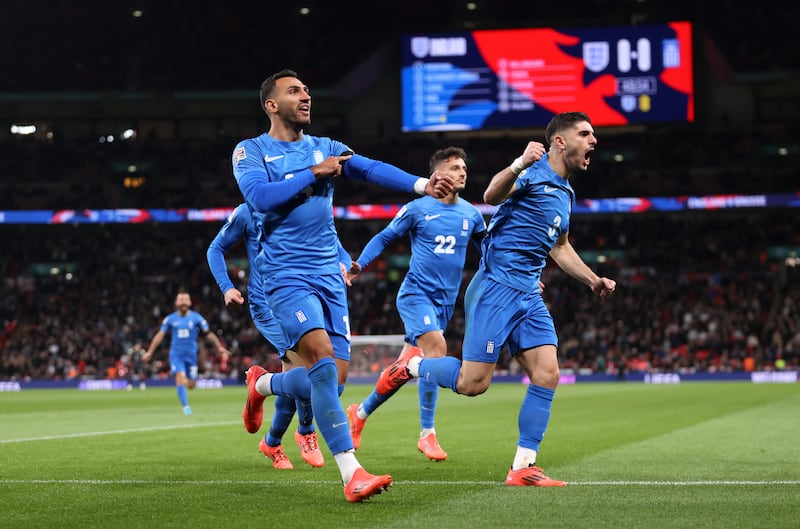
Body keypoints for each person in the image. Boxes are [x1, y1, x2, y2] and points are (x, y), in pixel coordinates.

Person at [231, 68, 453, 502]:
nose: (305, 96)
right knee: (321, 361)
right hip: (285, 275)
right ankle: (352, 473)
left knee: (331, 383)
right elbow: (258, 197)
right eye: (294, 91)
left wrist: (421, 184)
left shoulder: (327, 146)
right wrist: (314, 173)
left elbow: (369, 169)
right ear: (271, 105)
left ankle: (262, 385)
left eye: (307, 90)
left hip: (328, 278)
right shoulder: (251, 150)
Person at [374, 111, 616, 487]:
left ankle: (523, 467)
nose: (593, 140)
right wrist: (519, 162)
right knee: (473, 384)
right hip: (496, 287)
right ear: (560, 141)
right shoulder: (532, 173)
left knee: (548, 373)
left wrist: (592, 279)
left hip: (528, 293)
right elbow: (491, 195)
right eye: (585, 133)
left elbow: (560, 247)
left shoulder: (565, 193)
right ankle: (412, 366)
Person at [345, 146, 486, 462]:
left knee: (405, 368)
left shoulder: (472, 214)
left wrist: (515, 274)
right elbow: (384, 237)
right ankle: (427, 434)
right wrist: (360, 264)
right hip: (416, 295)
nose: (462, 172)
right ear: (438, 174)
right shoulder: (417, 209)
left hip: (445, 303)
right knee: (435, 350)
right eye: (455, 167)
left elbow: (489, 251)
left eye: (464, 168)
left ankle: (360, 412)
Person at [207, 202, 332, 470]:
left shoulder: (303, 207)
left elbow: (326, 241)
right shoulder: (247, 211)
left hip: (300, 297)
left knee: (294, 376)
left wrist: (343, 262)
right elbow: (215, 249)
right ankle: (306, 430)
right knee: (308, 364)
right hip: (267, 304)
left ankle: (272, 439)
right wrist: (227, 287)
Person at [142, 290, 231, 415]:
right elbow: (160, 335)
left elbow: (208, 334)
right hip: (176, 354)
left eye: (185, 300)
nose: (183, 302)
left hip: (191, 356)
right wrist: (150, 351)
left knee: (191, 385)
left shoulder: (196, 318)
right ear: (176, 303)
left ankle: (184, 386)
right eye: (181, 300)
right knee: (180, 378)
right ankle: (186, 406)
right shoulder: (170, 319)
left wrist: (219, 347)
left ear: (190, 302)